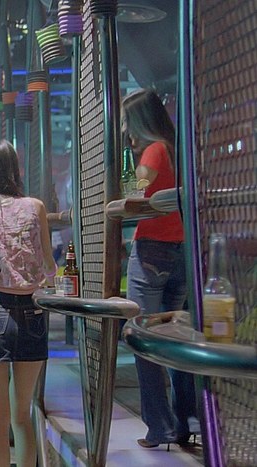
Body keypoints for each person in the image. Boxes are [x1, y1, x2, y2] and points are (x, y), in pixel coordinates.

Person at [0, 139, 57, 467]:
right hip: (33, 311)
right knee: (23, 415)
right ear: (14, 168)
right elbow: (48, 266)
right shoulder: (35, 207)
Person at [122, 88, 197, 449]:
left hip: (152, 251)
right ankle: (186, 421)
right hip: (180, 251)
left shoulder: (153, 150)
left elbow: (135, 191)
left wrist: (130, 173)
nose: (125, 130)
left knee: (144, 337)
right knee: (175, 338)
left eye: (127, 122)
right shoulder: (177, 148)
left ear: (140, 121)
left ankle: (159, 427)